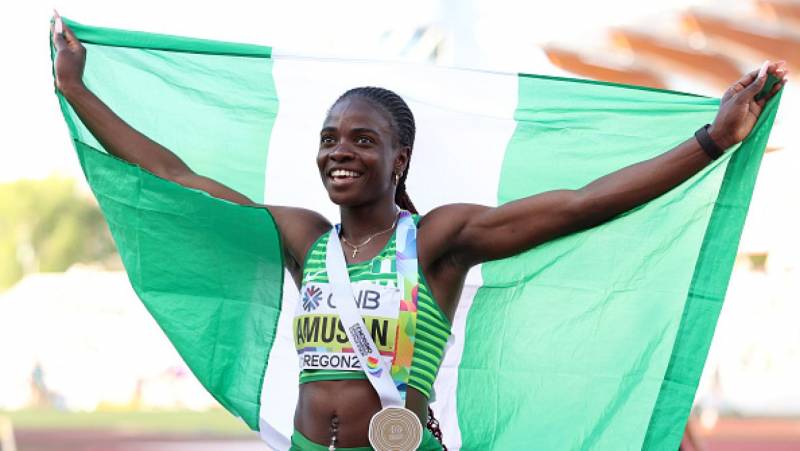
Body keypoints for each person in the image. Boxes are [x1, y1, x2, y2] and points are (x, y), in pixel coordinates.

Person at [51, 13, 787, 451]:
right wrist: (79, 91)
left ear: (399, 157)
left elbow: (579, 204)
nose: (340, 150)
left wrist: (710, 141)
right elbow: (178, 177)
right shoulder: (302, 238)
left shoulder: (438, 239)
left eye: (362, 139)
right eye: (330, 137)